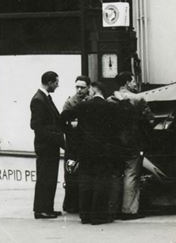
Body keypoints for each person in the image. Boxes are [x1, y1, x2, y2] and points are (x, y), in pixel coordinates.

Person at [61, 80, 122, 224]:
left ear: (94, 90)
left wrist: (74, 130)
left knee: (86, 181)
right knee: (101, 181)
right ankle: (98, 216)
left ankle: (85, 215)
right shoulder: (110, 107)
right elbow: (118, 127)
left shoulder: (83, 105)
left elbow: (63, 117)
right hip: (104, 150)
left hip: (86, 149)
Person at [110, 71, 153, 219]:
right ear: (127, 82)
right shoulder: (138, 98)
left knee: (115, 174)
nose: (135, 84)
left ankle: (112, 208)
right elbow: (150, 120)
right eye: (133, 81)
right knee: (131, 174)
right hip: (132, 142)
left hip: (114, 142)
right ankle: (128, 210)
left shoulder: (110, 99)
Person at [30, 70, 65, 219]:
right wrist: (56, 137)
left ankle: (47, 208)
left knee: (50, 177)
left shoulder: (45, 97)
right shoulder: (39, 99)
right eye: (56, 82)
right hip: (46, 146)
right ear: (49, 82)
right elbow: (36, 125)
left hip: (50, 145)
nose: (57, 85)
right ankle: (41, 209)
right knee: (45, 178)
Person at [61, 75, 91, 214]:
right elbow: (62, 122)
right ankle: (72, 204)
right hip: (73, 143)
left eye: (82, 87)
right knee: (71, 173)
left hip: (86, 142)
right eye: (77, 87)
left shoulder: (91, 100)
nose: (79, 90)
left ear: (88, 88)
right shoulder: (70, 102)